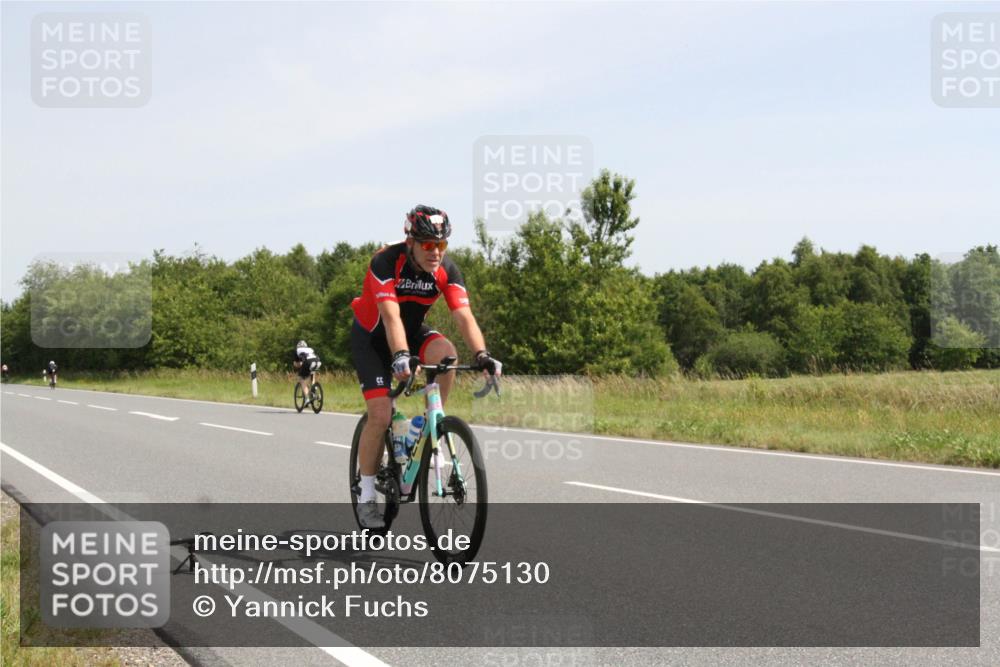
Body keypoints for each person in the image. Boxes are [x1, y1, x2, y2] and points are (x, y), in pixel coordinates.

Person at [350, 205, 502, 528]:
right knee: (380, 414)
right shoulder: (385, 262)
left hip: (411, 330)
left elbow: (464, 316)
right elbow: (390, 318)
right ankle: (365, 495)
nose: (436, 252)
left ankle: (426, 424)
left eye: (442, 245)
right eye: (429, 245)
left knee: (447, 355)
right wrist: (401, 355)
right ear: (411, 242)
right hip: (373, 336)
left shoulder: (446, 270)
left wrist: (483, 355)